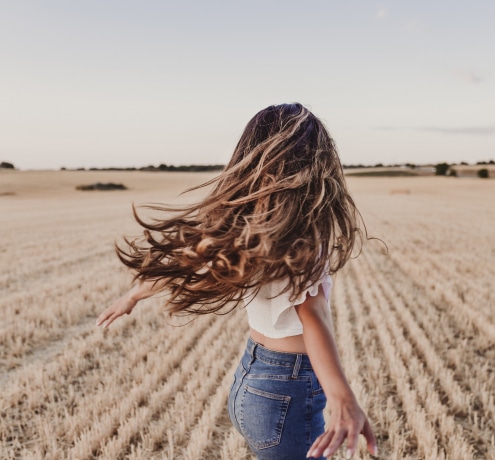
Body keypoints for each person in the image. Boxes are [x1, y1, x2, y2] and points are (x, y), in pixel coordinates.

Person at [96, 103, 378, 459]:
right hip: (287, 390)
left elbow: (193, 258)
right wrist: (342, 397)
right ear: (317, 162)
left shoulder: (248, 225)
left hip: (252, 379)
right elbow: (312, 312)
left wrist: (134, 295)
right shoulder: (305, 231)